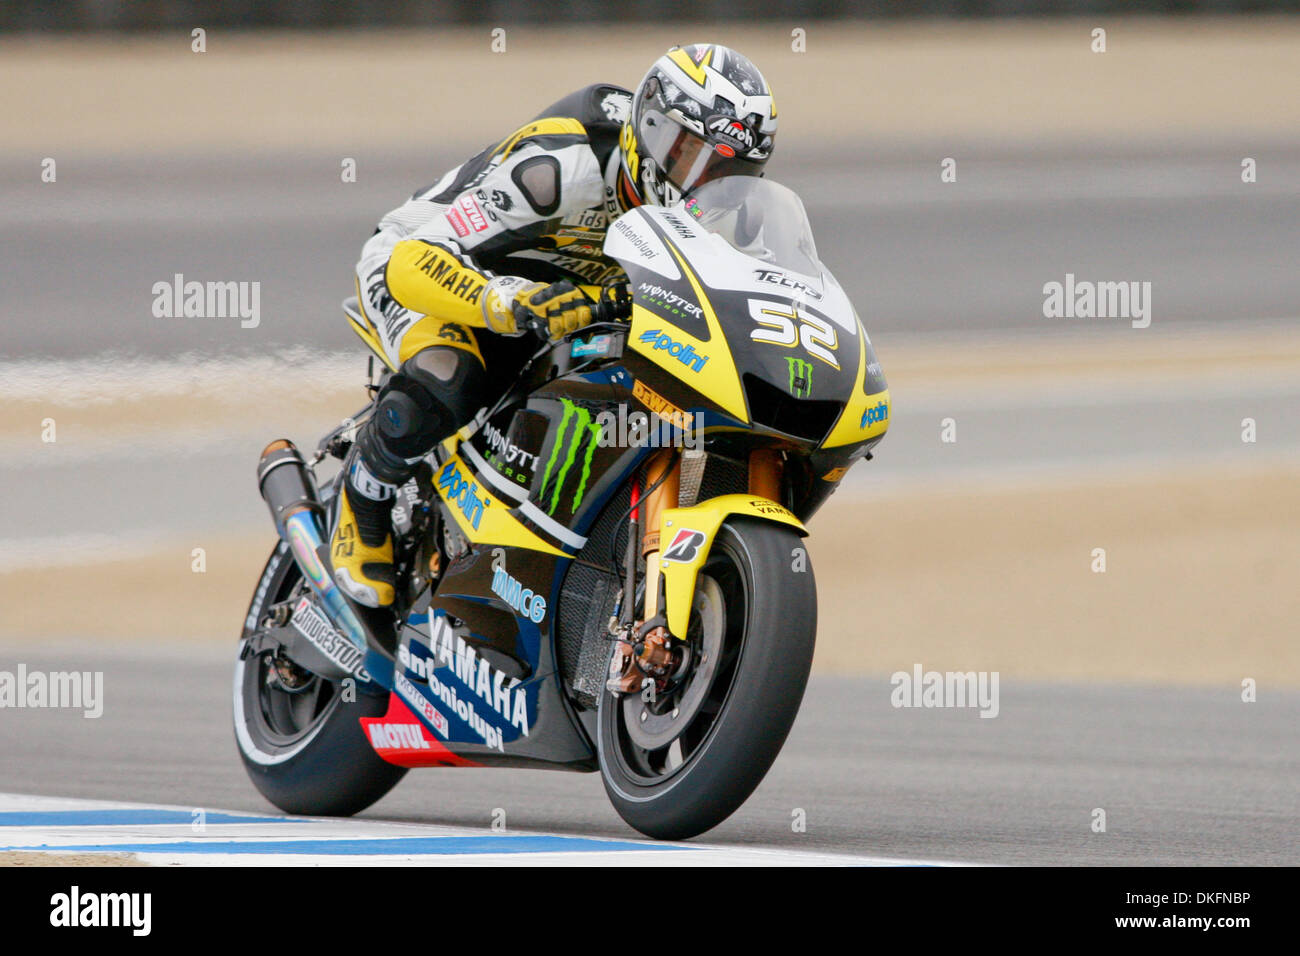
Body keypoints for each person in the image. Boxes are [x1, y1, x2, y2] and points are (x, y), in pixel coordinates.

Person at [332, 42, 779, 608]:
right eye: (691, 154)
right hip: (439, 268)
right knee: (452, 373)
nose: (702, 181)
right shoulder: (563, 166)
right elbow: (414, 259)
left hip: (577, 303)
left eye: (727, 170)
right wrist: (507, 302)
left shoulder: (734, 216)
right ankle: (362, 497)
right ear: (648, 126)